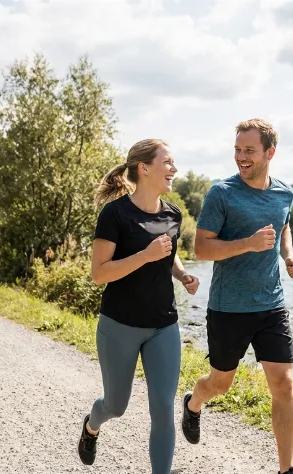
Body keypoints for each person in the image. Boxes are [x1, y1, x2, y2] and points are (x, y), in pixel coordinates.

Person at [180, 119, 293, 474]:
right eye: (237, 149)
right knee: (220, 383)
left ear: (270, 153)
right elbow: (201, 248)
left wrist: (289, 257)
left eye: (249, 150)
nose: (241, 157)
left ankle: (286, 470)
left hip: (271, 304)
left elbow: (283, 227)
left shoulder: (285, 192)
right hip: (229, 307)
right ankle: (193, 403)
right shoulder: (222, 193)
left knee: (283, 383)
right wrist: (248, 244)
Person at [77, 138, 200, 474]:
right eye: (168, 162)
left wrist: (183, 274)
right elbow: (99, 273)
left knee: (162, 407)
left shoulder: (173, 213)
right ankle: (92, 424)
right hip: (120, 326)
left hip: (163, 325)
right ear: (145, 168)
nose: (174, 169)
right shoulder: (115, 214)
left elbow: (169, 257)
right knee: (116, 406)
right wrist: (144, 255)